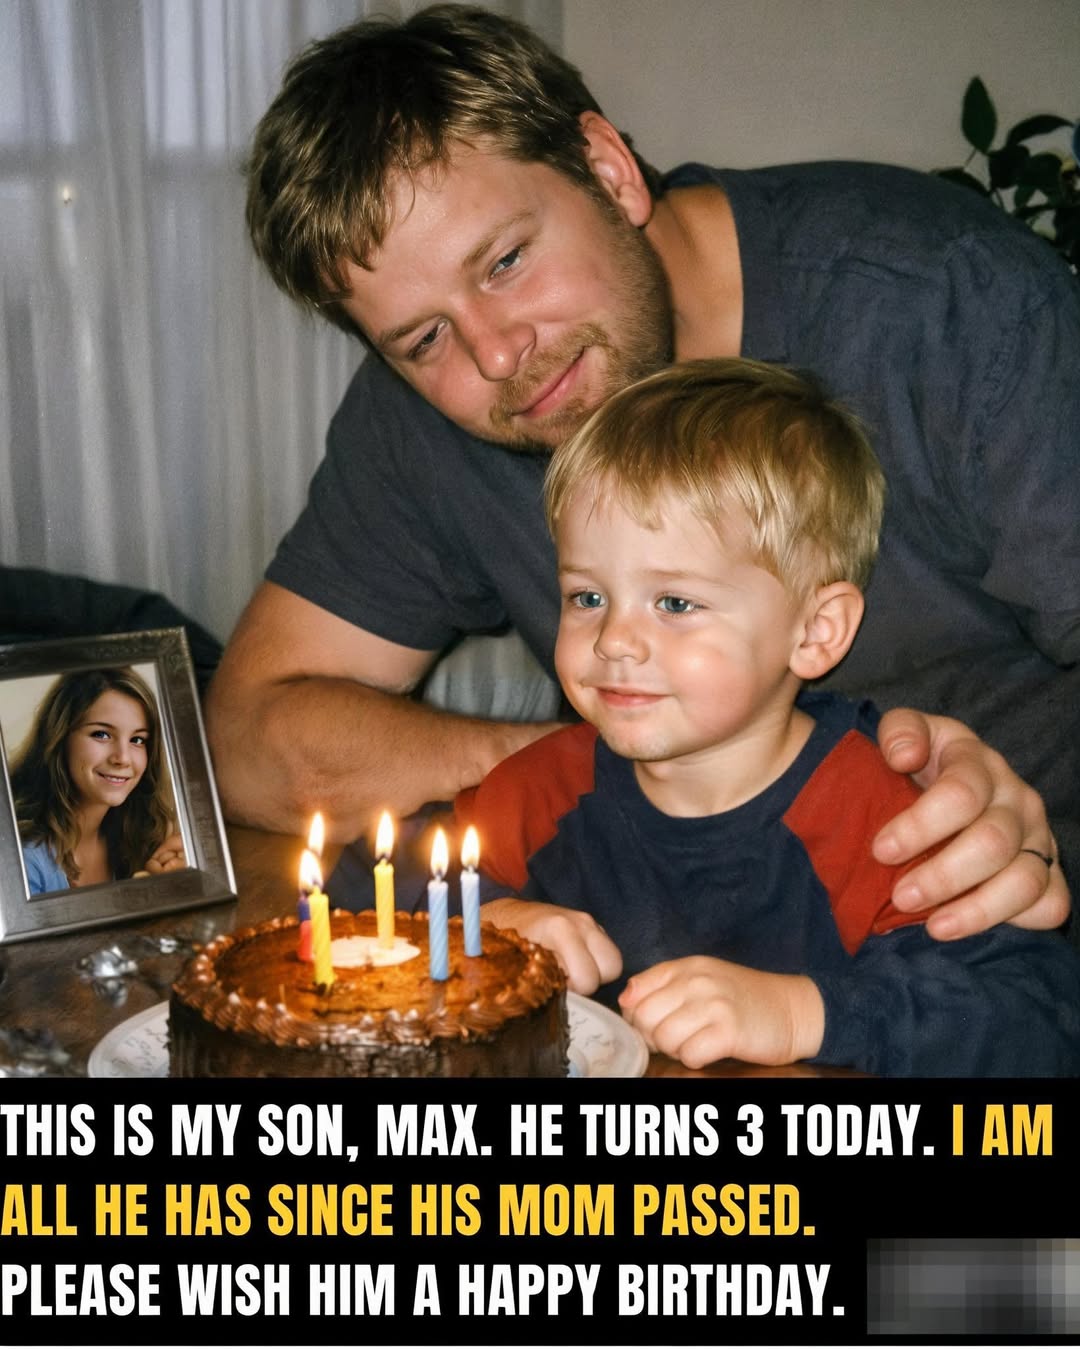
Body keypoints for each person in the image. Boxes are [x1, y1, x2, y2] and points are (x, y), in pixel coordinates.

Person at [207, 4, 1075, 944]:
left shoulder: (954, 303)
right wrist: (636, 763)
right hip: (657, 978)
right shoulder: (427, 412)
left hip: (1004, 949)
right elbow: (248, 740)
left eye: (505, 261)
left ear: (608, 168)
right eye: (422, 338)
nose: (496, 355)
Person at [457, 359, 1080, 1075]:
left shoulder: (883, 820)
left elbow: (1039, 1017)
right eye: (587, 597)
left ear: (816, 631)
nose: (613, 641)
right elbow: (393, 882)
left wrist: (802, 1013)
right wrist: (487, 925)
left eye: (675, 603)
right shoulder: (543, 789)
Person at [9, 667, 185, 895]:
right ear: (59, 737)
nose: (123, 758)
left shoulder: (141, 835)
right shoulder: (21, 861)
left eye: (137, 739)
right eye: (101, 734)